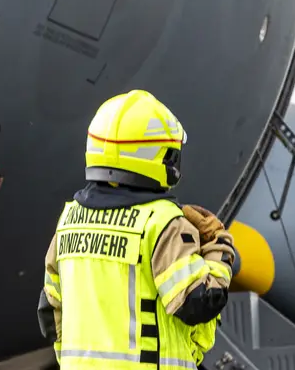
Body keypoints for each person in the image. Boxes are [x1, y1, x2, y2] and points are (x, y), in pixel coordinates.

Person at [39, 90, 238, 370]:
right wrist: (221, 250)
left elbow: (50, 312)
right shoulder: (162, 223)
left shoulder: (69, 221)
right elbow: (199, 303)